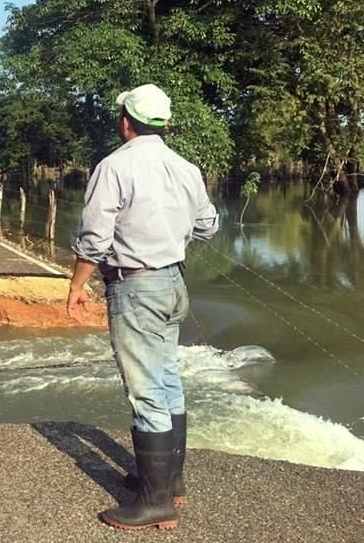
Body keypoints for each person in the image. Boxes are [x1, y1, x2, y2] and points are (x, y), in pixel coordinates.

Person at [66, 84, 219, 531]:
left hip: (137, 285)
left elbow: (95, 238)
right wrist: (173, 235)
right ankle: (170, 481)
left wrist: (77, 285)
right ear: (164, 124)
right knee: (168, 378)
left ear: (126, 122)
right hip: (174, 281)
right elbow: (208, 225)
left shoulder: (114, 166)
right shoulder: (185, 166)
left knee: (145, 390)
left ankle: (155, 502)